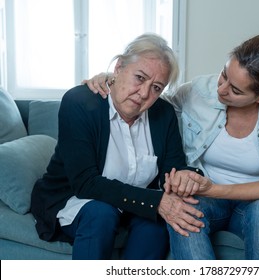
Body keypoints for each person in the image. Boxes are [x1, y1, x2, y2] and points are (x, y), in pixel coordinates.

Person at [85, 34, 259, 260]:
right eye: (224, 75)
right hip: (207, 201)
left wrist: (211, 189)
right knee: (181, 206)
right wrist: (113, 80)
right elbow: (154, 102)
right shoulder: (199, 90)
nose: (221, 89)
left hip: (257, 202)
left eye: (236, 91)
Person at [30, 33, 205, 260]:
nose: (144, 94)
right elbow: (85, 183)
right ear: (119, 67)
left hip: (131, 205)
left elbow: (172, 171)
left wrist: (183, 178)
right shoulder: (80, 102)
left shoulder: (163, 113)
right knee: (101, 213)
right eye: (140, 78)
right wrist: (155, 201)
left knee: (157, 224)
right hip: (76, 200)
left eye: (156, 88)